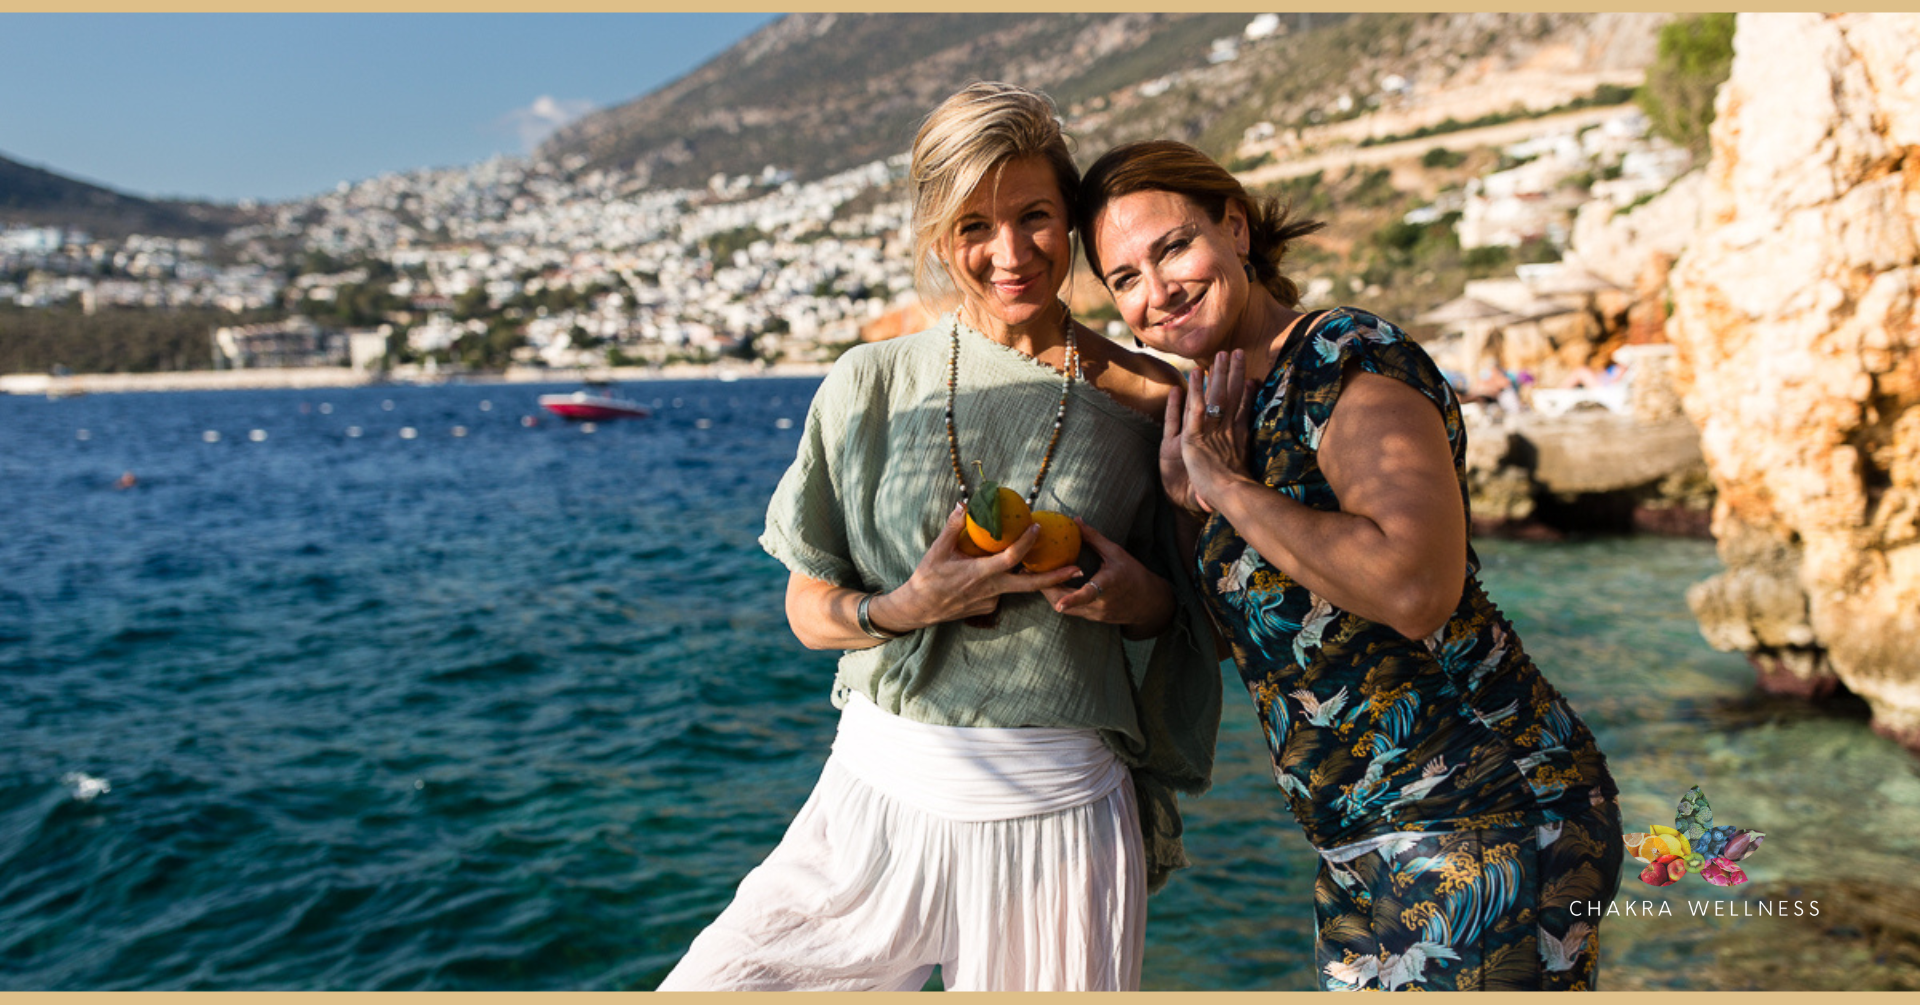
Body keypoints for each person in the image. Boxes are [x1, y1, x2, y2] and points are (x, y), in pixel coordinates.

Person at [658, 85, 1220, 993]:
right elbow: (809, 609)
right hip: (873, 799)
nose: (1011, 253)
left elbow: (1192, 615)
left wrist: (1134, 596)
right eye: (974, 225)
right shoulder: (869, 383)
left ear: (1069, 217)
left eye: (1035, 215)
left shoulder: (1154, 402)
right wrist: (905, 606)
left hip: (1060, 813)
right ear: (935, 234)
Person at [1077, 140, 1623, 992]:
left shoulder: (1346, 356)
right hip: (1356, 839)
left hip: (1485, 810)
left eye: (1174, 247)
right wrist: (1186, 511)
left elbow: (1414, 587)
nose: (1156, 291)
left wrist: (1224, 487)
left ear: (1235, 227)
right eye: (1124, 278)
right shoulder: (1223, 409)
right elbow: (1262, 636)